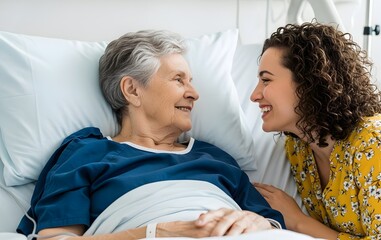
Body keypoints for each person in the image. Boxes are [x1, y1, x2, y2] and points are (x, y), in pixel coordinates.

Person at [17, 30, 285, 240]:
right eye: (179, 80)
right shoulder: (86, 153)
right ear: (132, 90)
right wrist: (156, 233)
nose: (194, 93)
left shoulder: (215, 157)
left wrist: (260, 223)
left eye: (191, 81)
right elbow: (55, 238)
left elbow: (270, 222)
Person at [251, 22, 381, 239]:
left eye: (266, 80)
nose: (254, 95)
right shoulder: (298, 149)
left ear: (309, 82)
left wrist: (299, 222)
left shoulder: (379, 143)